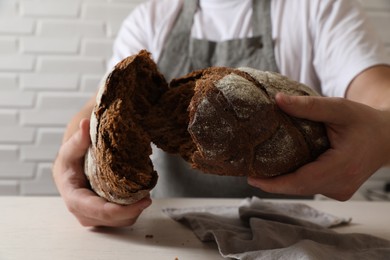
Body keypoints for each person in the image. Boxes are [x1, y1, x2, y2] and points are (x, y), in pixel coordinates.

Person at [52, 0, 390, 227]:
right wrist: (72, 161)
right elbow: (100, 107)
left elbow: (380, 97)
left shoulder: (317, 9)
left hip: (285, 234)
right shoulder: (154, 16)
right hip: (168, 232)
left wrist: (382, 134)